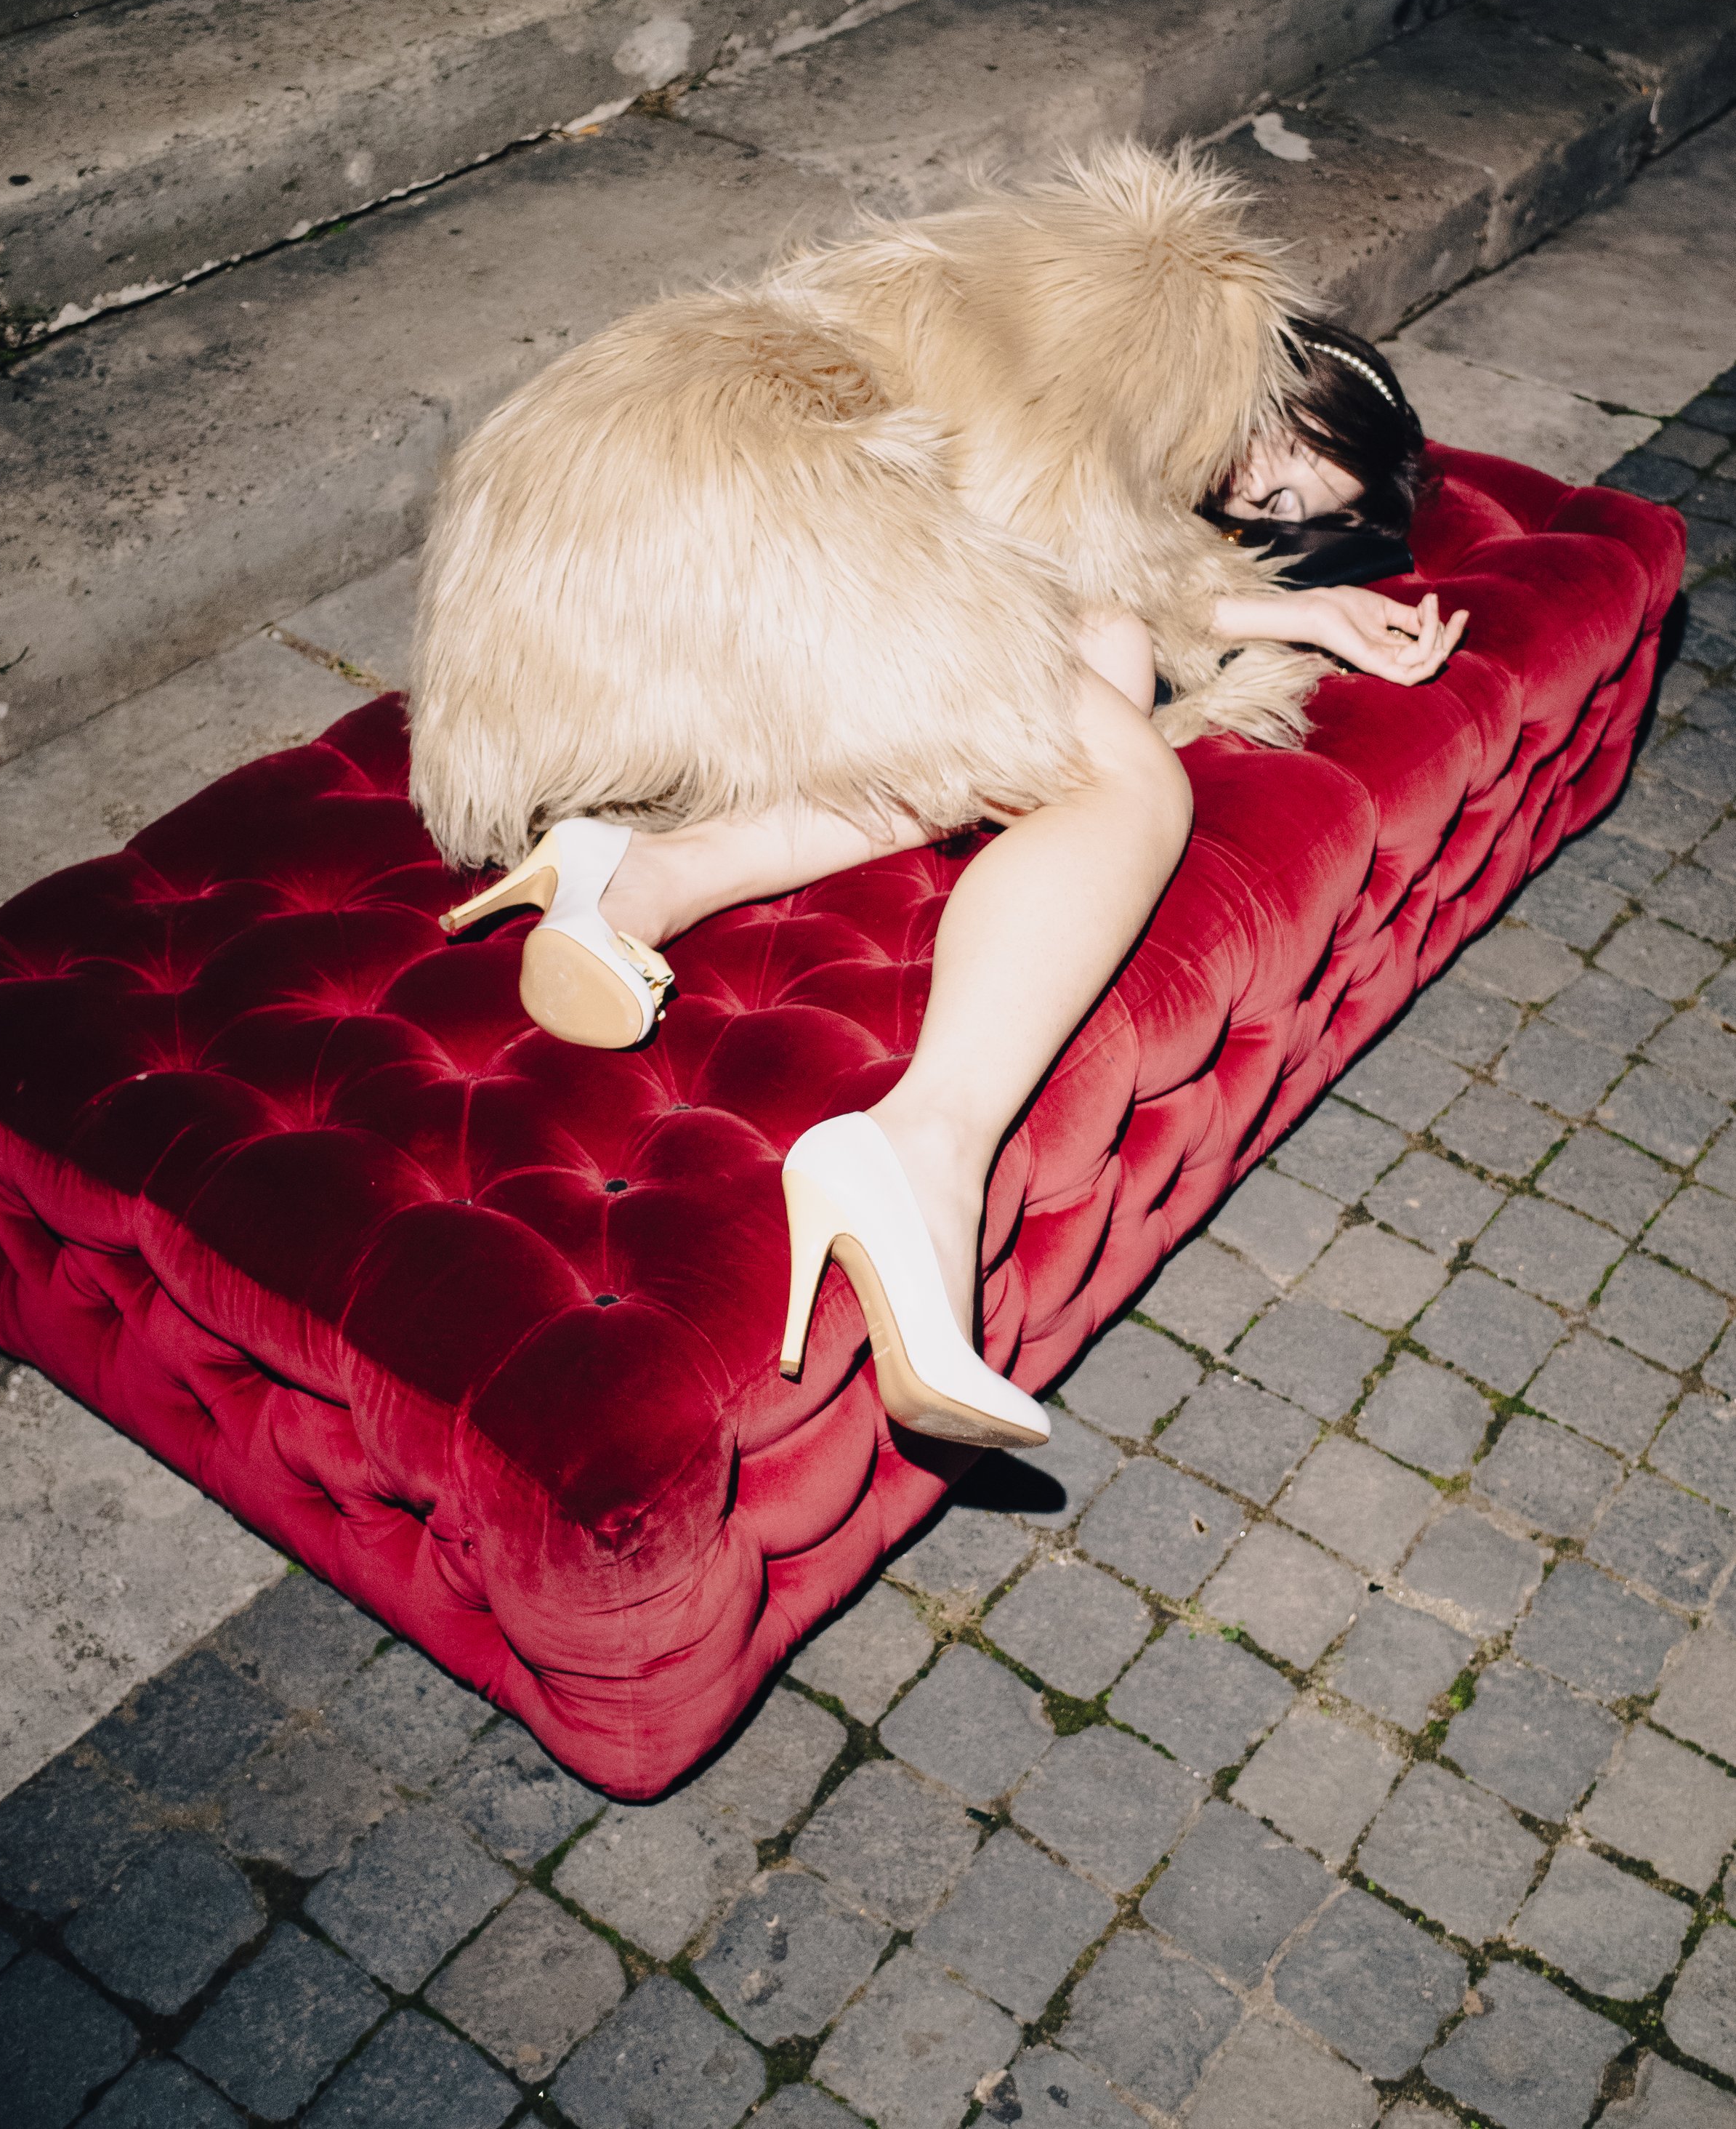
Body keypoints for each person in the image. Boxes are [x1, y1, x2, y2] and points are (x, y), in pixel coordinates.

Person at [411, 143, 1462, 1452]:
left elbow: (1076, 548)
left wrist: (1306, 605)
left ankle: (637, 874)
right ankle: (924, 1147)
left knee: (1108, 665)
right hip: (717, 492)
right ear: (1312, 395)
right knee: (1126, 780)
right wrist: (1293, 608)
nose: (1252, 502)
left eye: (1282, 517)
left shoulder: (1112, 319)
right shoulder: (1178, 310)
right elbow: (1061, 523)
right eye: (1289, 486)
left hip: (614, 528)